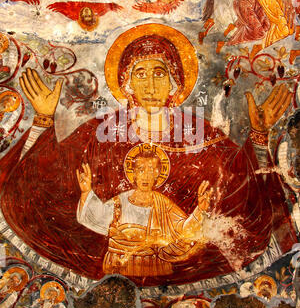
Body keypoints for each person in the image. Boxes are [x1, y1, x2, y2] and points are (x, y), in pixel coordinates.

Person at [0, 23, 296, 286]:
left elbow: (243, 193)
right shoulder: (99, 131)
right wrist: (41, 120)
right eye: (140, 74)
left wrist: (259, 136)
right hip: (111, 260)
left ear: (175, 83)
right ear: (127, 83)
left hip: (185, 263)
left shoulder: (202, 135)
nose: (150, 84)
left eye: (159, 73)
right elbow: (44, 183)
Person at [76, 145, 210, 278]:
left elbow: (183, 231)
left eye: (151, 170)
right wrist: (86, 191)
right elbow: (95, 216)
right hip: (119, 267)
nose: (146, 176)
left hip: (153, 268)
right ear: (133, 173)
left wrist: (200, 210)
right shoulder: (120, 202)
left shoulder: (163, 205)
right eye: (141, 170)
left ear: (157, 174)